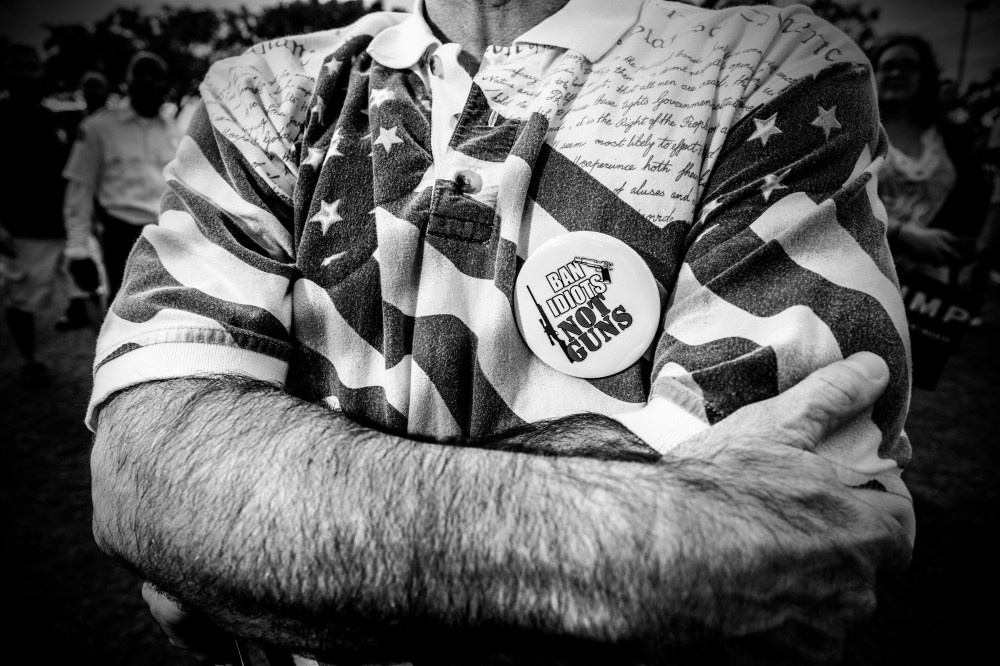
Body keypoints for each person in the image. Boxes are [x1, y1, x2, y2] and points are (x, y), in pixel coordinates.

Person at [89, 1, 915, 664]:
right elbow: (146, 472)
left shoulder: (769, 62)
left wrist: (264, 546)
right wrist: (665, 544)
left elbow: (773, 563)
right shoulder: (269, 89)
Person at [62, 51, 182, 304]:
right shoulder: (98, 128)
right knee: (125, 314)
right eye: (140, 74)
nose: (147, 80)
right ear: (127, 81)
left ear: (167, 84)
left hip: (172, 235)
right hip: (123, 238)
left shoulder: (174, 128)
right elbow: (79, 191)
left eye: (155, 75)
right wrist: (78, 250)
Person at [871, 34, 991, 285]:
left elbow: (974, 199)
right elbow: (831, 196)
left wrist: (970, 254)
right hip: (862, 268)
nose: (897, 74)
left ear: (925, 75)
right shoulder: (854, 130)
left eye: (909, 66)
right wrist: (901, 233)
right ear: (873, 73)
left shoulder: (953, 137)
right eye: (889, 66)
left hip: (930, 282)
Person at [0, 44, 74, 385]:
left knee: (91, 292)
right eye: (18, 67)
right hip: (23, 228)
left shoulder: (53, 119)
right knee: (23, 300)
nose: (26, 74)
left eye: (32, 67)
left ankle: (105, 360)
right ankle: (29, 359)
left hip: (67, 224)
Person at [55, 69, 112, 332]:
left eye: (98, 86)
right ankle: (91, 322)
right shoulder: (74, 123)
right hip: (81, 201)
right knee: (86, 272)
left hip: (109, 210)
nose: (93, 91)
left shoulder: (117, 123)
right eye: (88, 86)